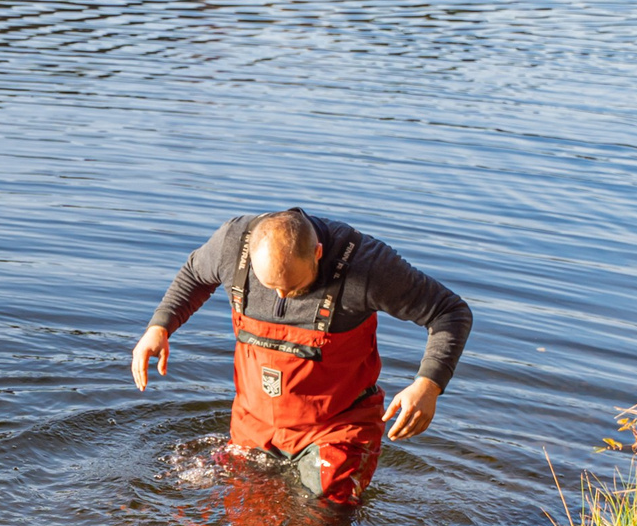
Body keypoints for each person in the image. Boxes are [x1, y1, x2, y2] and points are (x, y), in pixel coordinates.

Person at [130, 209, 472, 507]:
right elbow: (195, 274)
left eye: (292, 287)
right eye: (270, 286)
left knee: (321, 523)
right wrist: (160, 326)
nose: (281, 295)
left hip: (336, 428)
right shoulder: (232, 244)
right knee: (238, 522)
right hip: (254, 422)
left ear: (318, 253)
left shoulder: (367, 266)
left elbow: (449, 311)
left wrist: (428, 385)